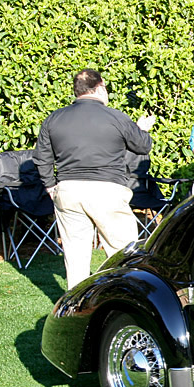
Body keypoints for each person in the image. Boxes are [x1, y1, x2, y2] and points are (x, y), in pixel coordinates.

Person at [33, 69, 157, 289]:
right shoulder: (115, 117)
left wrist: (51, 186)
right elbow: (142, 146)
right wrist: (142, 129)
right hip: (107, 191)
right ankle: (123, 296)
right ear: (100, 87)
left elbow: (41, 158)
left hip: (68, 191)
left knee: (75, 256)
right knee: (122, 253)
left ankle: (76, 309)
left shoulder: (54, 118)